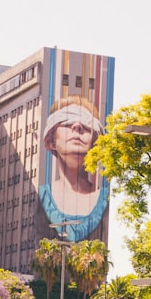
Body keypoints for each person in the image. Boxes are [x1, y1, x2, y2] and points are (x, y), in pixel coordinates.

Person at [38, 96, 109, 242]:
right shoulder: (40, 196)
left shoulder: (106, 199)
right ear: (51, 141)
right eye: (67, 121)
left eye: (86, 123)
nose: (77, 126)